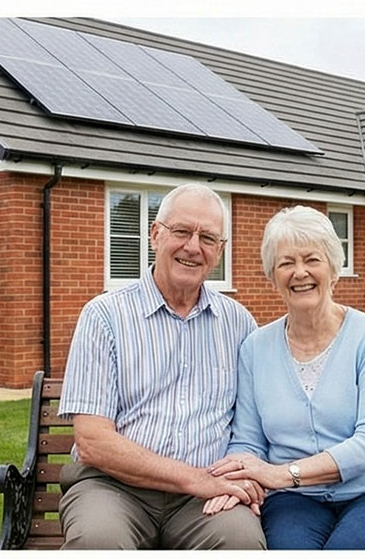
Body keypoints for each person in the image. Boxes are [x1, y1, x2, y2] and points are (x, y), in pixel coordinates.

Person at [55, 183, 266, 548]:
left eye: (208, 238)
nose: (193, 247)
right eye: (182, 231)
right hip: (113, 487)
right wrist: (193, 478)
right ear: (155, 234)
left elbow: (264, 412)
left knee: (240, 542)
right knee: (99, 541)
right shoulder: (104, 316)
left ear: (220, 251)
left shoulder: (239, 323)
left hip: (203, 497)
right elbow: (92, 442)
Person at [208, 206, 365, 548]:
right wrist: (237, 480)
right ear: (272, 275)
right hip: (295, 501)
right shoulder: (254, 348)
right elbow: (248, 441)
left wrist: (283, 474)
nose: (300, 273)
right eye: (286, 263)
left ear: (333, 269)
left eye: (312, 259)